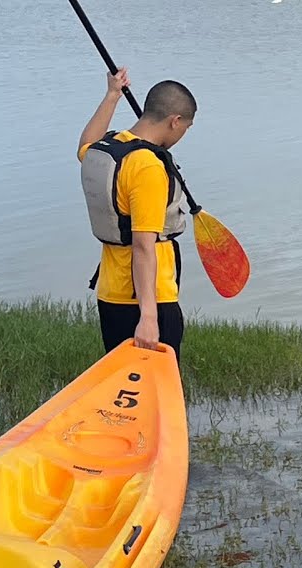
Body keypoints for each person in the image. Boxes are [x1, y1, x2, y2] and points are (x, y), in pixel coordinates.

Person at [78, 68, 196, 359]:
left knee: (124, 392)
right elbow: (143, 246)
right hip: (149, 300)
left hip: (110, 295)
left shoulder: (109, 148)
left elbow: (84, 146)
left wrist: (111, 96)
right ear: (175, 121)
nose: (182, 135)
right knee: (157, 397)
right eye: (185, 129)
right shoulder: (148, 167)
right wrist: (149, 318)